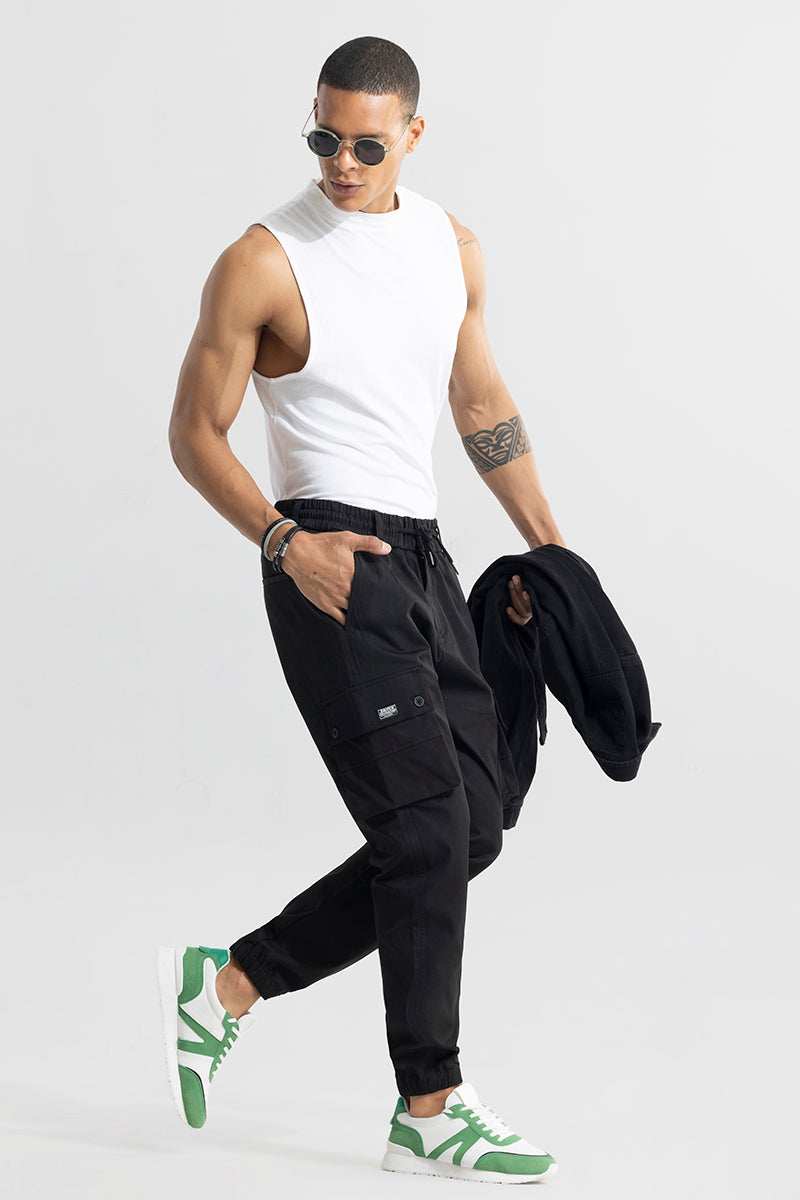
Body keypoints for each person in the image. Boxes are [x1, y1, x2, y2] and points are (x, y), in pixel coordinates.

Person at [159, 35, 565, 1184]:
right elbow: (194, 433)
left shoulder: (449, 246)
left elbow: (478, 400)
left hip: (425, 556)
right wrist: (285, 544)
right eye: (322, 138)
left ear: (412, 136)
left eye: (365, 145)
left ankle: (229, 983)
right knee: (425, 829)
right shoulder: (262, 260)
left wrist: (550, 549)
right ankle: (428, 1105)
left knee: (467, 829)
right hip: (328, 555)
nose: (340, 162)